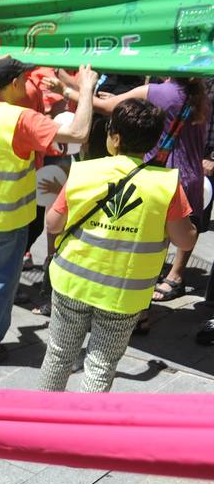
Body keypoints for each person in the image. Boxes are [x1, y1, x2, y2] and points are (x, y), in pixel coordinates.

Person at [0, 58, 96, 366]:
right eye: (26, 79)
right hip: (6, 220)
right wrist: (87, 89)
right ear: (15, 84)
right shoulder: (22, 119)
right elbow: (78, 134)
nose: (29, 84)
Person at [39, 99, 197, 392]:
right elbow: (184, 239)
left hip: (73, 282)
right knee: (101, 365)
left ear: (115, 137)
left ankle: (40, 425)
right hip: (124, 293)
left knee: (59, 355)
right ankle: (83, 434)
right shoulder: (166, 184)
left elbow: (53, 225)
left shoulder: (84, 172)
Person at [93, 76, 209, 303]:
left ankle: (143, 299)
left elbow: (106, 107)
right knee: (183, 230)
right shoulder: (200, 96)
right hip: (191, 174)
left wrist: (70, 89)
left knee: (151, 241)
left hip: (162, 174)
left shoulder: (159, 91)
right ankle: (174, 276)